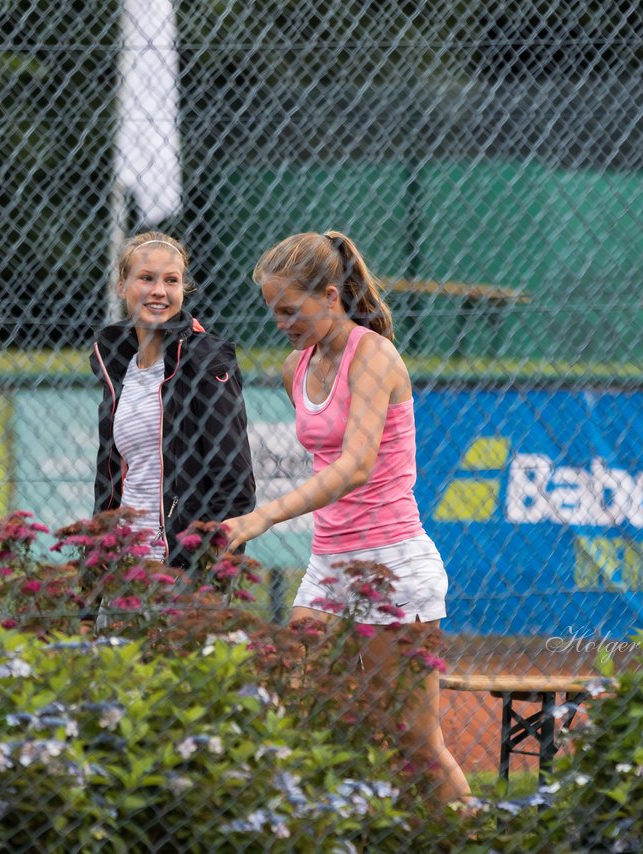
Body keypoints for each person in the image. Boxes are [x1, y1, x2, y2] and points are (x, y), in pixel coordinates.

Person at [222, 230, 471, 806]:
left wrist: (261, 519)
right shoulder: (294, 368)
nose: (281, 322)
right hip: (329, 565)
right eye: (272, 312)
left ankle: (479, 837)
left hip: (394, 561)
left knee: (414, 741)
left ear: (330, 296)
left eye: (291, 309)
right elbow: (325, 460)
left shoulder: (375, 355)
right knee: (305, 714)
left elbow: (355, 466)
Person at [91, 231, 256, 568]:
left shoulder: (208, 362)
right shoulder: (118, 369)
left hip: (183, 569)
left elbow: (235, 483)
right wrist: (93, 585)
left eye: (172, 280)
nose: (159, 291)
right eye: (147, 278)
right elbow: (107, 488)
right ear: (121, 285)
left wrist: (201, 568)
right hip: (126, 565)